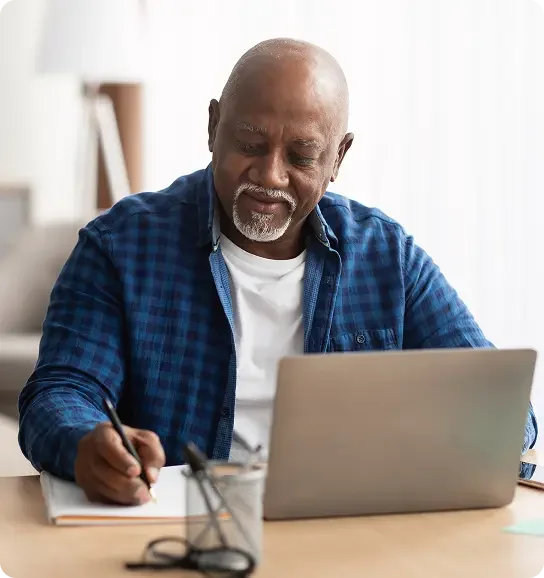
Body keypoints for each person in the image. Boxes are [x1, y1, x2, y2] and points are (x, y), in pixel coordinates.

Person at [18, 38, 537, 506]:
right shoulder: (121, 245)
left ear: (338, 158)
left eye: (302, 155)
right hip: (184, 531)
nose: (270, 175)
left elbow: (504, 413)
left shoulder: (388, 257)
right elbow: (60, 392)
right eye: (249, 144)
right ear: (213, 127)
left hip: (347, 529)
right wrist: (87, 443)